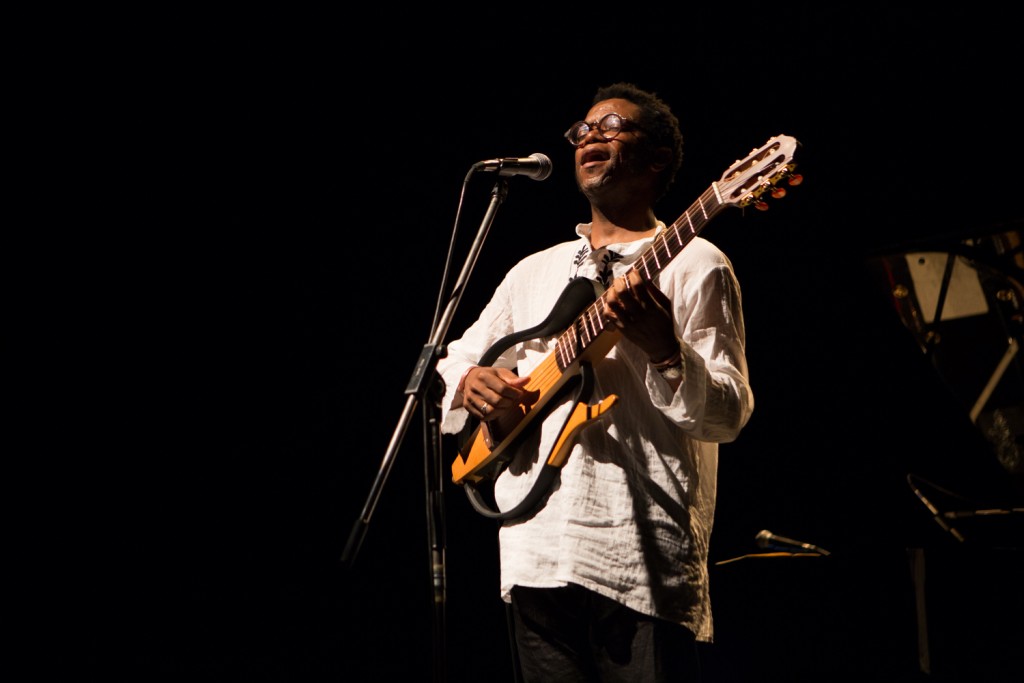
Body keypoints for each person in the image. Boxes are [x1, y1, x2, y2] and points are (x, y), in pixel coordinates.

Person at [436, 82, 754, 682]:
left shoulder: (697, 263)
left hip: (639, 555)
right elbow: (457, 357)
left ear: (657, 158)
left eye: (612, 126)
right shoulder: (534, 270)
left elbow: (729, 413)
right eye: (583, 129)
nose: (591, 136)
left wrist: (665, 350)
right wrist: (472, 380)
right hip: (534, 548)